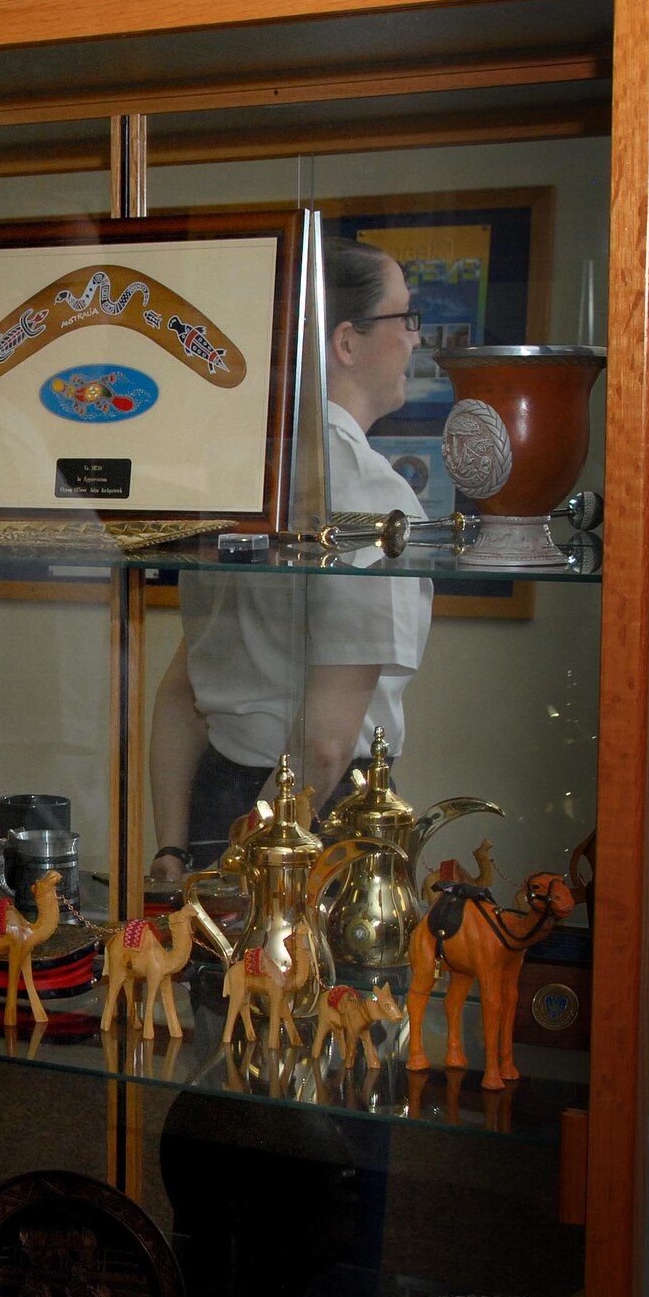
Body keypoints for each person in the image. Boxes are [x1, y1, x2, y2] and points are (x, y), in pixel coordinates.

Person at [150, 236, 432, 876]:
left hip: (220, 796)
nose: (416, 339)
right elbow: (327, 744)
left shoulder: (236, 471)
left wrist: (172, 847)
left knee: (211, 976)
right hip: (312, 813)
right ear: (347, 341)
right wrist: (255, 871)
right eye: (405, 318)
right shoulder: (367, 491)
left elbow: (179, 694)